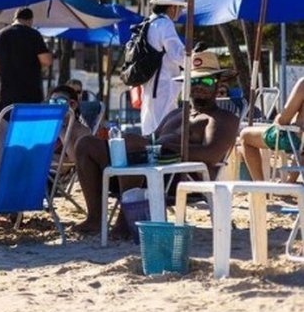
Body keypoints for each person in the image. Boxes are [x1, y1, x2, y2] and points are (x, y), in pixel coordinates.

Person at [71, 51, 240, 236]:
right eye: (194, 81)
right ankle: (95, 219)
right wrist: (128, 142)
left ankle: (126, 221)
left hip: (179, 176)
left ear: (218, 84)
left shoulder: (222, 118)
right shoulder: (177, 113)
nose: (199, 86)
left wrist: (157, 148)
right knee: (86, 144)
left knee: (134, 146)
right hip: (148, 167)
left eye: (206, 81)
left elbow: (212, 154)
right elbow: (152, 138)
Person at [136, 0, 187, 136]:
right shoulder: (165, 24)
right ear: (172, 7)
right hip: (164, 82)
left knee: (150, 121)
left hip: (151, 80)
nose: (180, 11)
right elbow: (177, 53)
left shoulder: (150, 21)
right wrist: (193, 60)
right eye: (180, 7)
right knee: (165, 124)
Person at [238, 77, 304, 182]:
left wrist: (278, 120)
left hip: (297, 140)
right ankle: (290, 181)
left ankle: (260, 187)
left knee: (245, 136)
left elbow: (284, 119)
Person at [0, 8, 53, 110]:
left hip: (6, 93)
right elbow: (46, 60)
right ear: (30, 20)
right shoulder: (34, 34)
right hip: (30, 93)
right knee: (29, 123)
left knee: (6, 124)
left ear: (15, 19)